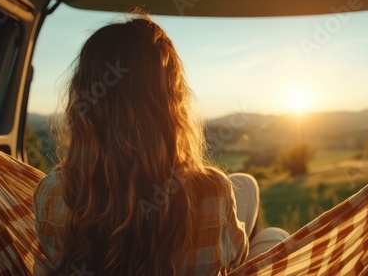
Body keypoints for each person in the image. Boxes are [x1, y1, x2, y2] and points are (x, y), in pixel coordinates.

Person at [32, 14, 289, 276]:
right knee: (274, 234)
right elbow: (235, 258)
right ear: (172, 102)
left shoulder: (51, 193)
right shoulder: (214, 190)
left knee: (247, 183)